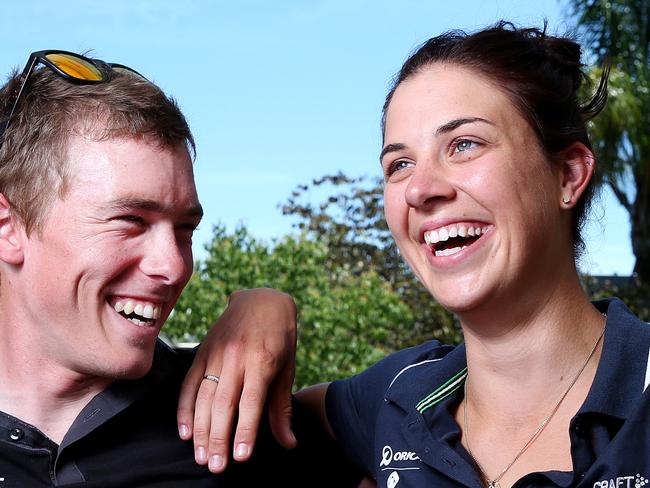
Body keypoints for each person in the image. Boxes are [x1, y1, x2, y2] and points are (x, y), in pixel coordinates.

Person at [182, 22, 650, 487]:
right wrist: (262, 308)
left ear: (567, 175)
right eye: (399, 165)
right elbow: (265, 425)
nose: (420, 190)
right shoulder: (397, 396)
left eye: (464, 144)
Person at [0, 50, 361, 487]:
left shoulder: (238, 429)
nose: (173, 266)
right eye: (131, 221)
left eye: (186, 229)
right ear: (9, 227)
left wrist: (270, 303)